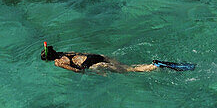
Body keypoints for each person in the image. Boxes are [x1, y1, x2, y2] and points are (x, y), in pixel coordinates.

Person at [40, 43, 194, 74]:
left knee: (130, 70)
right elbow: (84, 55)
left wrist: (97, 71)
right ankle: (152, 64)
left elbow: (77, 70)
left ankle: (155, 66)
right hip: (97, 56)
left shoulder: (58, 62)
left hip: (93, 64)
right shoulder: (67, 52)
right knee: (127, 66)